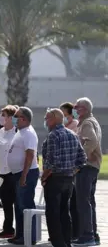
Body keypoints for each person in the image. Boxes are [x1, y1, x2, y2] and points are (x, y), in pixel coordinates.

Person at [41, 108, 86, 247]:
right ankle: (67, 241)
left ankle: (58, 243)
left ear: (54, 119)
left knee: (53, 214)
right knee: (64, 212)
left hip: (54, 178)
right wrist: (72, 171)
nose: (46, 121)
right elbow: (82, 158)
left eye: (47, 118)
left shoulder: (54, 135)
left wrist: (44, 176)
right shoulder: (72, 134)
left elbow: (51, 161)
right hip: (68, 179)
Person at [6, 106, 39, 245]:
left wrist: (24, 175)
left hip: (26, 173)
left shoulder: (29, 133)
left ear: (24, 119)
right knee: (19, 205)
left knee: (25, 205)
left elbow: (30, 155)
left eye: (16, 116)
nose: (14, 118)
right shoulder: (21, 131)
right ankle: (19, 234)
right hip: (18, 173)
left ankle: (29, 236)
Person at [73, 97, 102, 246]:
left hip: (87, 166)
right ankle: (93, 234)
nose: (75, 110)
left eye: (77, 107)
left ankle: (87, 235)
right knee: (89, 201)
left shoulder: (87, 123)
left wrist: (81, 158)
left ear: (84, 109)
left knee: (83, 201)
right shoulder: (89, 121)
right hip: (92, 166)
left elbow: (91, 141)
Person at [0, 105, 18, 239]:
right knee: (6, 203)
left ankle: (19, 230)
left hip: (12, 172)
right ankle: (8, 228)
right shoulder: (1, 131)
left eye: (4, 115)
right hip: (1, 171)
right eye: (1, 114)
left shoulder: (16, 132)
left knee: (16, 202)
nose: (1, 118)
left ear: (11, 118)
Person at [59, 101, 79, 239]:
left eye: (64, 114)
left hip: (71, 170)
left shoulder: (74, 127)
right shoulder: (62, 127)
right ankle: (64, 232)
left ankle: (74, 233)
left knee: (74, 203)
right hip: (63, 170)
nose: (62, 117)